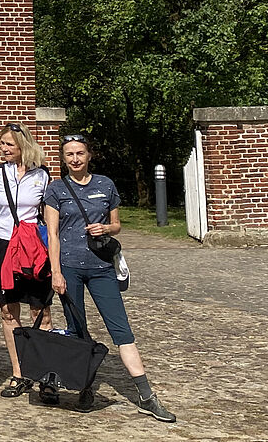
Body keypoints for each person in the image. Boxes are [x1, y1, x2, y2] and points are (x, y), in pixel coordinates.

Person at [45, 135, 176, 422]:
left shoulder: (105, 185)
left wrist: (106, 228)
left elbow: (116, 225)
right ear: (63, 158)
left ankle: (146, 395)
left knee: (122, 330)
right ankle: (85, 387)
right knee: (78, 330)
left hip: (102, 267)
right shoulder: (55, 190)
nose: (75, 159)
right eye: (69, 154)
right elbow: (52, 235)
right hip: (69, 267)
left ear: (89, 155)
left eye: (80, 153)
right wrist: (55, 272)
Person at [0, 124, 55, 400]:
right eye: (2, 144)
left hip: (33, 245)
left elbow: (48, 215)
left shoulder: (42, 175)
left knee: (41, 311)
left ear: (23, 146)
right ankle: (19, 372)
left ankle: (45, 372)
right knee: (7, 310)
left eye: (9, 144)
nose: (3, 149)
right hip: (4, 243)